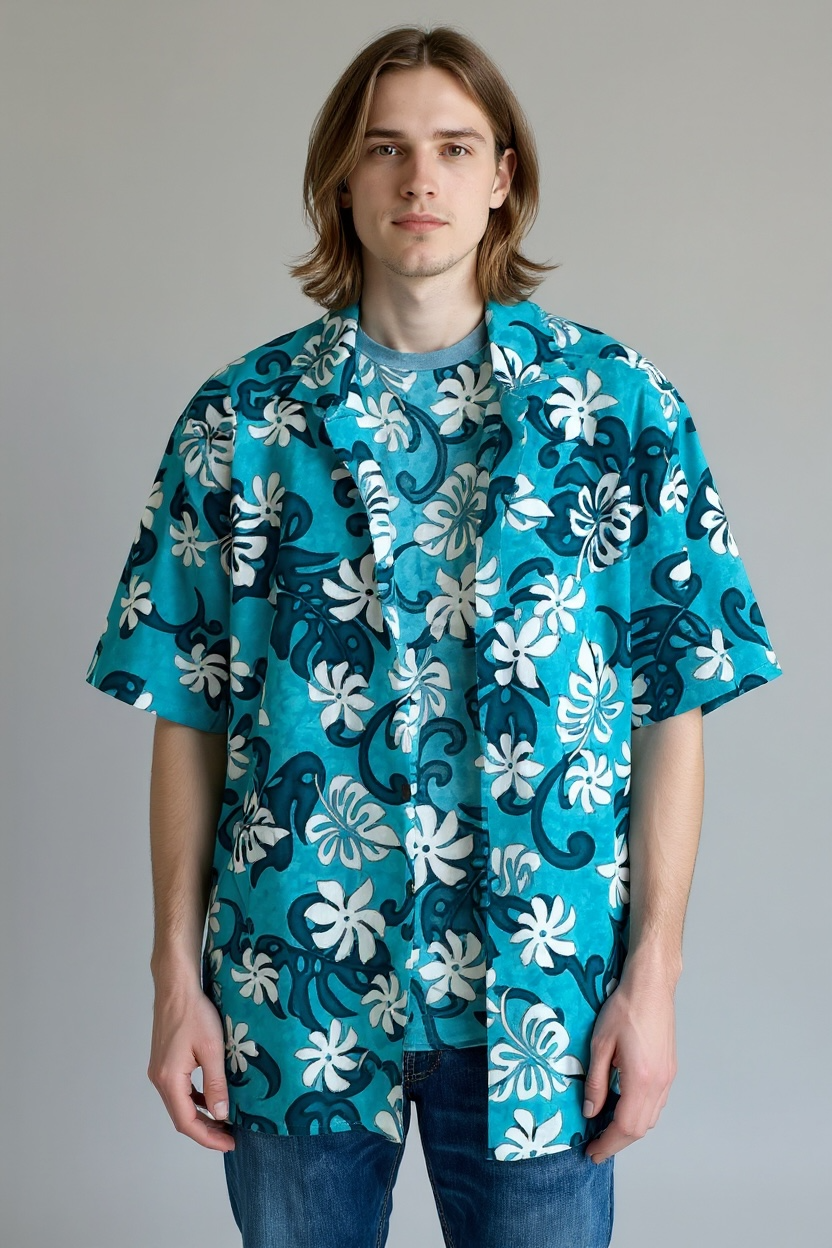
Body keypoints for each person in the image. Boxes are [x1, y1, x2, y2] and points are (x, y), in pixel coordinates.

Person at [84, 23, 783, 1248]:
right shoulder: (238, 422)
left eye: (455, 148)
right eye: (386, 148)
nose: (420, 179)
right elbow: (187, 713)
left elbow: (672, 708)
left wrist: (654, 983)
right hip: (293, 985)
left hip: (544, 1006)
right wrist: (174, 980)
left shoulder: (618, 410)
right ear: (340, 179)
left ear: (502, 176)